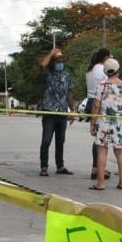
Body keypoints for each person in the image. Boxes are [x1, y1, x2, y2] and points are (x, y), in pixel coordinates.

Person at [89, 58, 122, 190]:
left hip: (104, 122)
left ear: (106, 72)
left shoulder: (102, 85)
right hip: (120, 123)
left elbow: (96, 105)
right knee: (120, 152)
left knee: (102, 151)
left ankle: (101, 183)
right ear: (118, 70)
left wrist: (92, 123)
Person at [37, 46, 75, 177]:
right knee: (46, 140)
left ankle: (60, 166)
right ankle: (44, 166)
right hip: (49, 112)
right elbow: (42, 65)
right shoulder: (48, 74)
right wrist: (51, 52)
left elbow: (70, 93)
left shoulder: (67, 76)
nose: (60, 63)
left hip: (62, 112)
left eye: (61, 61)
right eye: (57, 61)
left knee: (60, 140)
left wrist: (73, 111)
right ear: (53, 62)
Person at [85, 48, 112, 180]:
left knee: (98, 137)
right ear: (105, 57)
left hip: (90, 100)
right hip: (99, 103)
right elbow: (109, 84)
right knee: (101, 139)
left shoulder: (90, 70)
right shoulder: (102, 69)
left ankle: (97, 166)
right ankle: (97, 167)